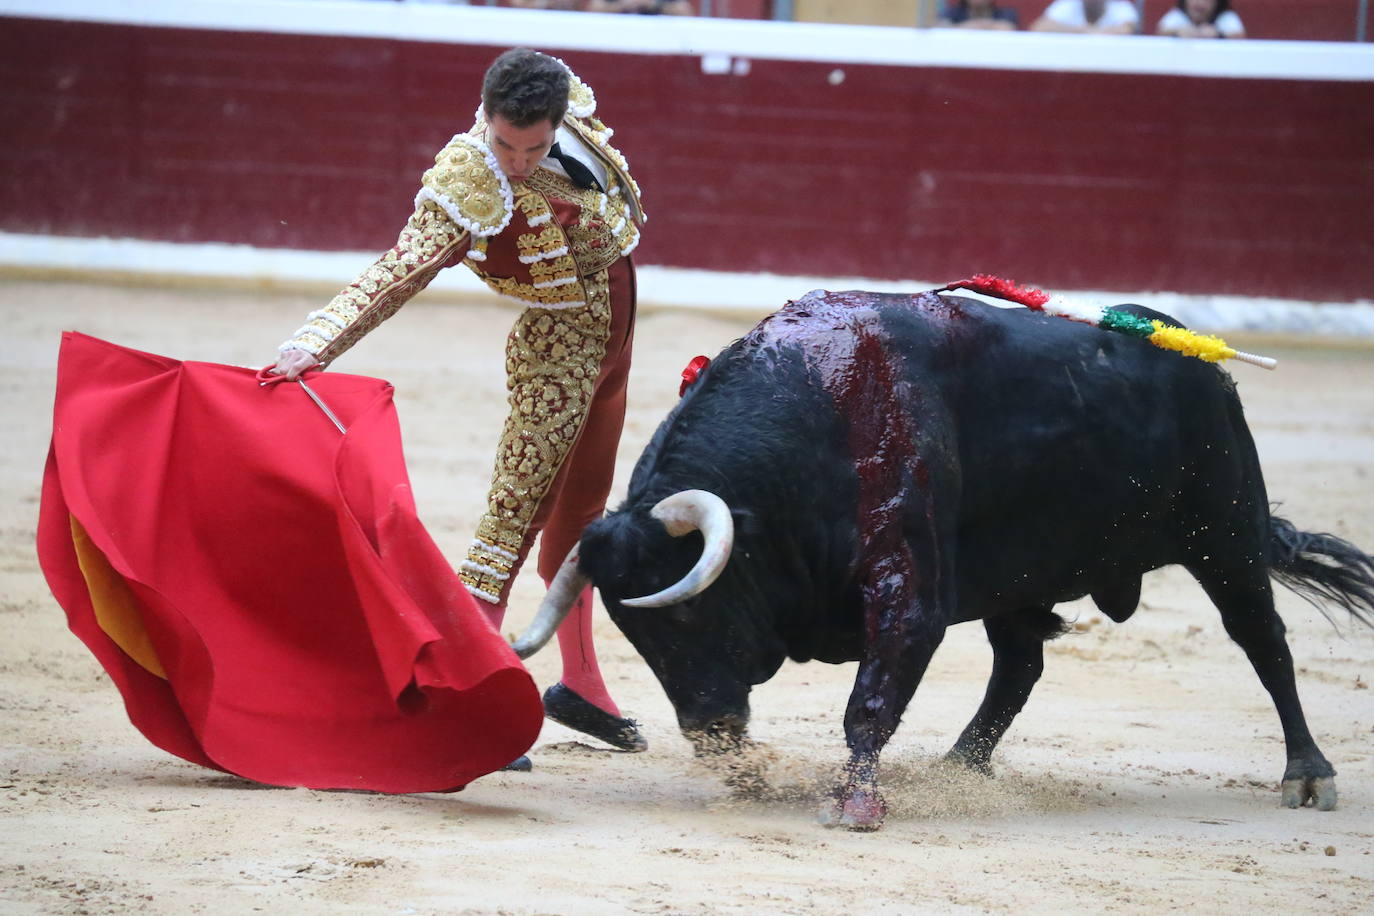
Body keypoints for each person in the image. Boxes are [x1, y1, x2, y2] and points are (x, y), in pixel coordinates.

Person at [269, 48, 648, 762]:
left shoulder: (571, 110)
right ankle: (473, 698)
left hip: (612, 344)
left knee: (582, 518)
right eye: (504, 142)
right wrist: (314, 344)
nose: (513, 160)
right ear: (485, 119)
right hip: (557, 352)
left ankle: (582, 687)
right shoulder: (467, 178)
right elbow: (398, 269)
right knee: (511, 524)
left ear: (555, 124)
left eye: (532, 146)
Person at [1030, 0, 1139, 34]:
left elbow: (1126, 30)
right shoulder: (1068, 5)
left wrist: (1089, 32)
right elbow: (1039, 27)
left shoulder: (1120, 7)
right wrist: (1077, 30)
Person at [1155, 0, 1246, 38]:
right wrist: (1177, 33)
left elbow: (1239, 35)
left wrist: (1218, 35)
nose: (1199, 2)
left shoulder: (1224, 16)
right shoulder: (1179, 14)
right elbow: (1161, 32)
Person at [936, 0, 1019, 31]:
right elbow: (941, 28)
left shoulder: (1006, 13)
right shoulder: (951, 12)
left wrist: (961, 27)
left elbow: (1007, 28)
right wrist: (987, 26)